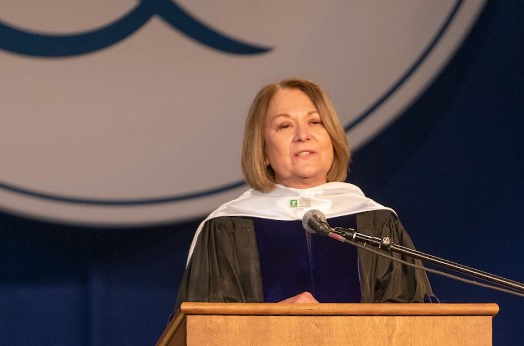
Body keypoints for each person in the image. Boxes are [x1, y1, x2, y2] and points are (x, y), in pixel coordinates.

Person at [175, 78, 431, 307]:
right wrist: (272, 320)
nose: (303, 135)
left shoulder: (376, 224)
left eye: (315, 122)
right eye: (285, 126)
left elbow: (410, 331)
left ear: (331, 138)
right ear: (263, 150)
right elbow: (205, 337)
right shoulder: (227, 228)